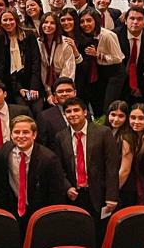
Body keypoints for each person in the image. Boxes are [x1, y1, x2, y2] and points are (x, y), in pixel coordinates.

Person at [54, 98, 119, 233]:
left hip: (99, 194)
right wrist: (67, 187)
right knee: (77, 233)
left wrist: (111, 196)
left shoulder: (103, 132)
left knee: (100, 233)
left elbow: (111, 166)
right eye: (68, 111)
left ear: (85, 112)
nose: (72, 114)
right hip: (74, 195)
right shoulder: (60, 136)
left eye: (76, 110)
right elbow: (59, 168)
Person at [4, 115, 72, 222]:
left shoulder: (49, 159)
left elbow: (56, 194)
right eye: (16, 132)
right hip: (13, 212)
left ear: (34, 134)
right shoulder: (5, 151)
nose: (21, 136)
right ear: (11, 135)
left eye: (25, 132)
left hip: (41, 214)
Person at [76, 8, 125, 115]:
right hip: (100, 73)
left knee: (108, 106)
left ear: (96, 21)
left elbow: (117, 58)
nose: (85, 24)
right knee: (97, 104)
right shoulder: (85, 36)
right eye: (82, 21)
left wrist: (98, 54)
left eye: (89, 20)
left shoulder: (108, 35)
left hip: (115, 72)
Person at [0, 9, 42, 110]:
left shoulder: (28, 35)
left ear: (16, 20)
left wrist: (34, 87)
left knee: (37, 111)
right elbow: (2, 67)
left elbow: (36, 61)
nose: (8, 23)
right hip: (13, 87)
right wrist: (18, 89)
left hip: (32, 83)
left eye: (11, 19)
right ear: (0, 23)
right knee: (23, 111)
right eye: (5, 20)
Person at [116, 7, 144, 105]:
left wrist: (140, 86)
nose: (135, 22)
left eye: (139, 19)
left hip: (140, 80)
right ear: (125, 21)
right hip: (118, 80)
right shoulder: (115, 35)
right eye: (132, 18)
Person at [38, 11, 80, 107]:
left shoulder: (66, 43)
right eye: (45, 22)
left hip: (64, 85)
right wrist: (49, 92)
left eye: (52, 23)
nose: (48, 25)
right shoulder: (39, 43)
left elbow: (68, 70)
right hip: (47, 85)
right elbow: (43, 69)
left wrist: (59, 93)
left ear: (57, 26)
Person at [36, 78, 76, 148]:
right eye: (60, 92)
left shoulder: (85, 114)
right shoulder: (44, 116)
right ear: (54, 95)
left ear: (75, 93)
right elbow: (42, 145)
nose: (64, 94)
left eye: (68, 91)